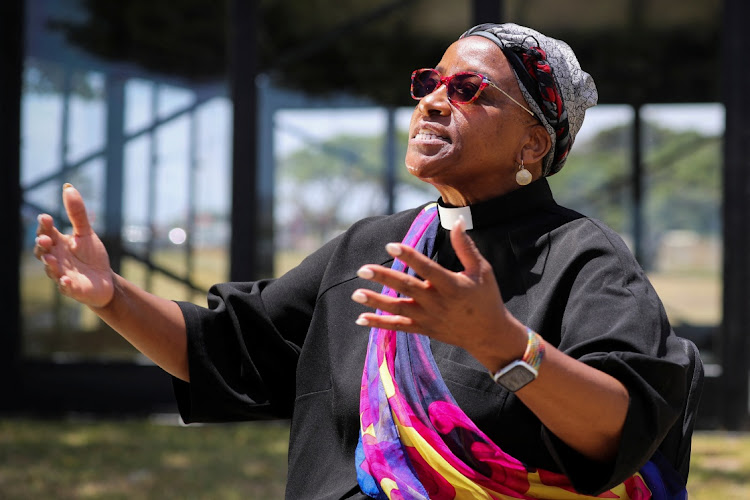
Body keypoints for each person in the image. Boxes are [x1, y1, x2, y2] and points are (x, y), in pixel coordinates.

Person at [34, 23, 692, 500]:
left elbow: (624, 423)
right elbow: (228, 349)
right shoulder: (371, 248)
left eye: (470, 90)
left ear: (533, 144)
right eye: (431, 82)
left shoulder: (584, 258)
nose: (434, 100)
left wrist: (500, 344)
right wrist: (110, 294)